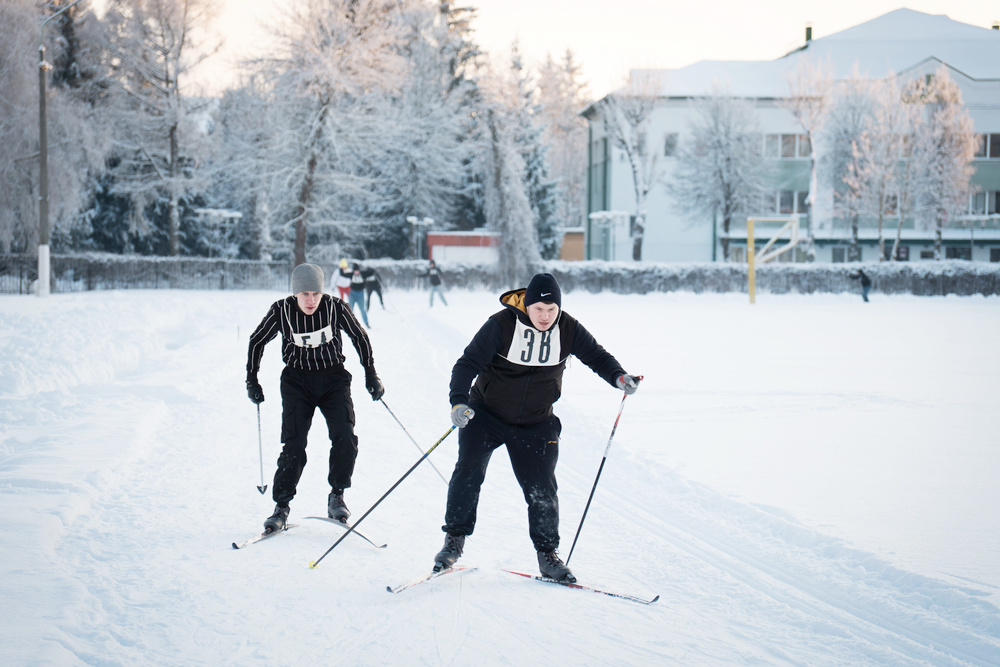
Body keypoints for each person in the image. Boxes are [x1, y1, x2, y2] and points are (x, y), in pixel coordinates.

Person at [433, 273, 640, 582]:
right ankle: (453, 541)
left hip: (536, 421)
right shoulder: (501, 325)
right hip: (486, 414)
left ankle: (548, 555)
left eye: (551, 309)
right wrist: (458, 402)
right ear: (526, 306)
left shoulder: (567, 328)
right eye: (539, 309)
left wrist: (619, 377)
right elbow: (467, 364)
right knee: (468, 473)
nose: (545, 316)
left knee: (542, 488)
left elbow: (596, 356)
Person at [245, 263, 384, 534]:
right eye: (304, 294)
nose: (310, 300)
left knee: (345, 437)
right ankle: (281, 507)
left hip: (333, 380)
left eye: (315, 294)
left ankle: (337, 496)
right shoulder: (281, 310)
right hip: (297, 382)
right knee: (294, 444)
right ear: (295, 293)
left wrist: (371, 374)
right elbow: (257, 340)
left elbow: (359, 336)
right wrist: (252, 380)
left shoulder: (335, 307)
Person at [348, 263, 370, 328]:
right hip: (352, 293)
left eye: (357, 271)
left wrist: (369, 268)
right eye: (355, 271)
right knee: (350, 308)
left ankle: (366, 323)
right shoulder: (351, 275)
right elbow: (343, 274)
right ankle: (349, 323)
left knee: (362, 309)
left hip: (360, 294)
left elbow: (371, 273)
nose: (356, 272)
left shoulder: (363, 274)